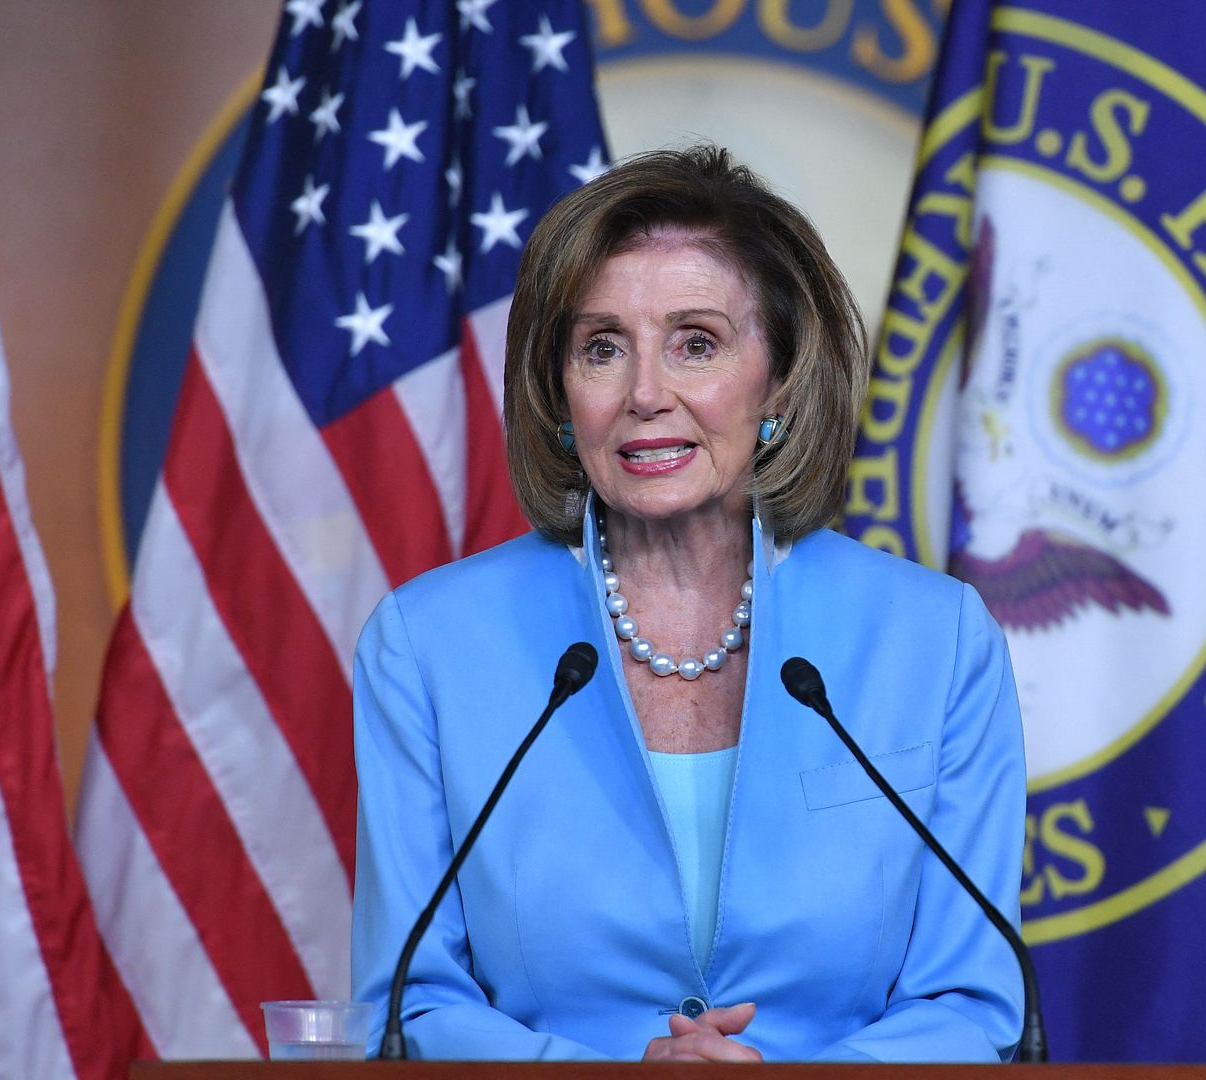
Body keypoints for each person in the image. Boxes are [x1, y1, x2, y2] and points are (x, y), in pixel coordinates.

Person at [351, 145, 1026, 1062]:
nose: (645, 395)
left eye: (696, 343)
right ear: (557, 391)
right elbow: (411, 1003)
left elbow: (971, 1001)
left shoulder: (936, 641)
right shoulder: (428, 645)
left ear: (781, 378)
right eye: (602, 348)